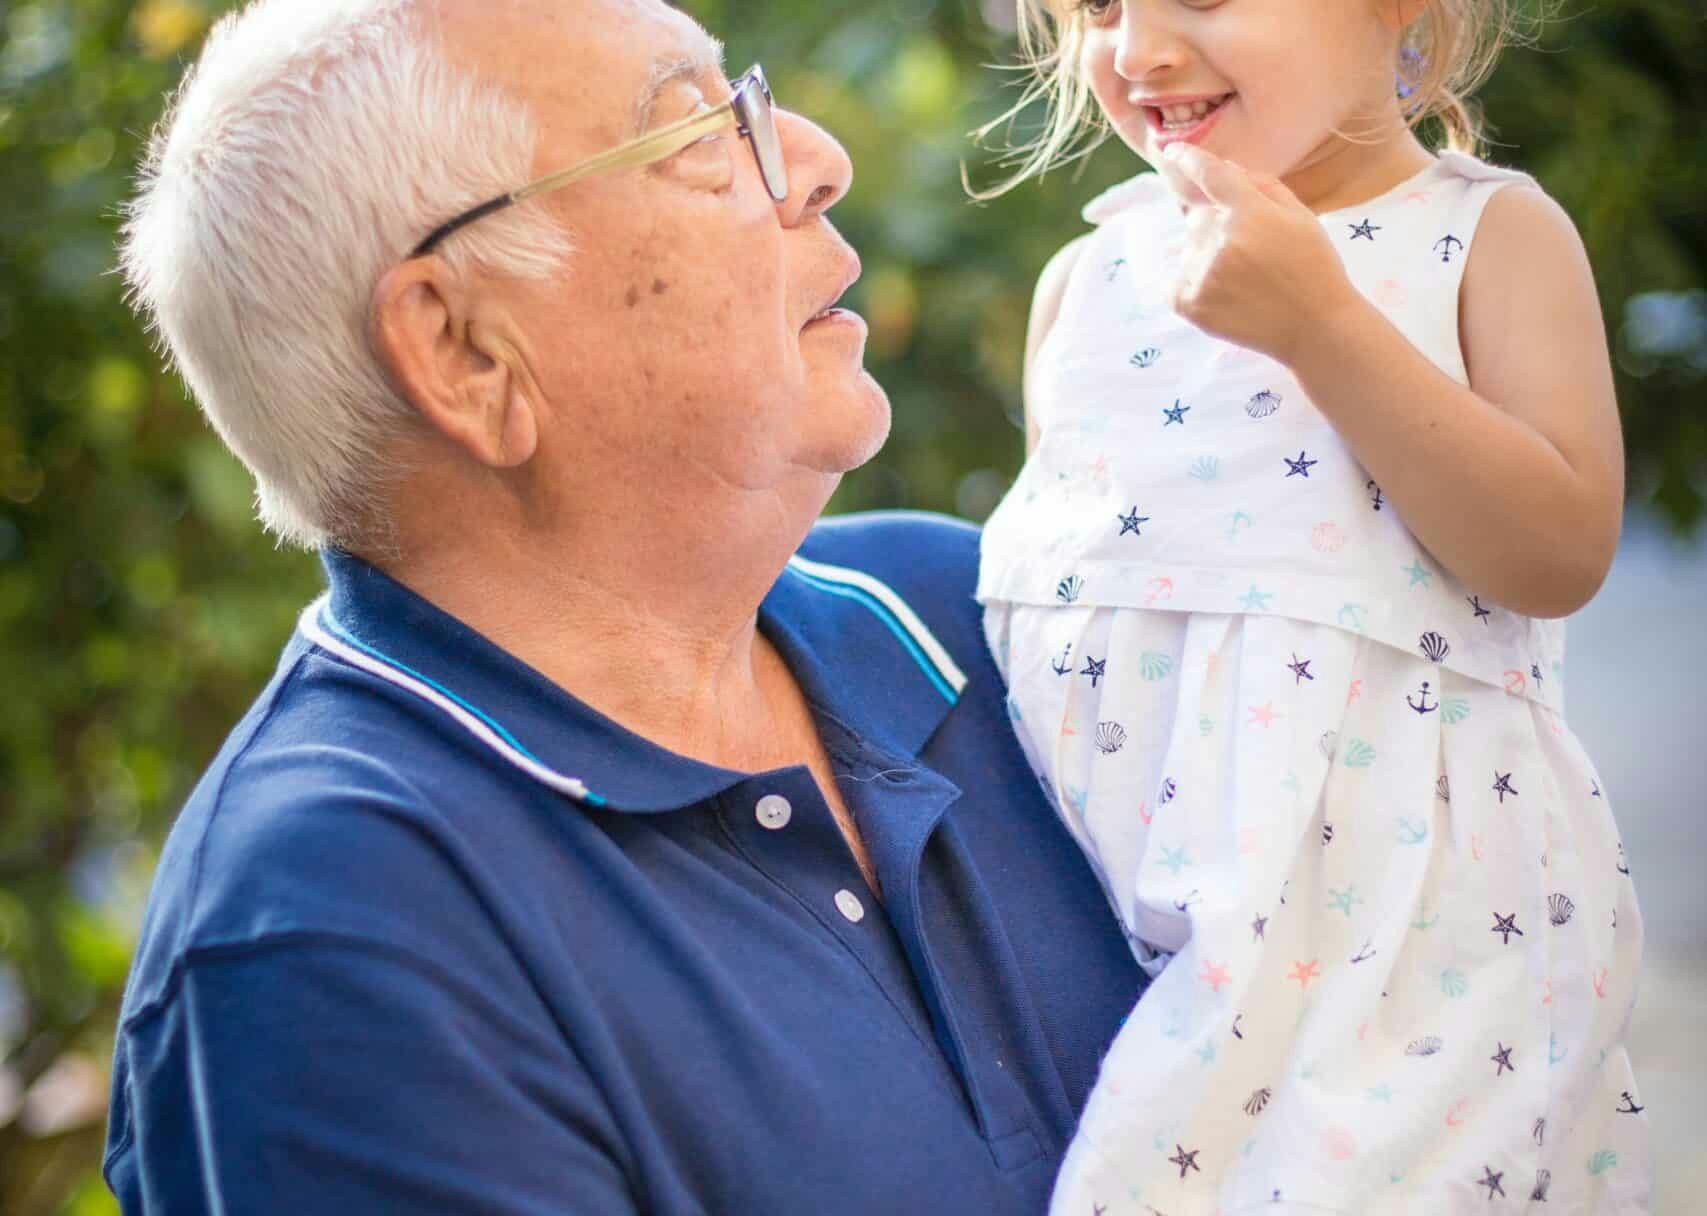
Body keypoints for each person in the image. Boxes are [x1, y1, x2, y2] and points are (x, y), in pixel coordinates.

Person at [100, 0, 1144, 1211]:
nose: (814, 160)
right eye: (701, 131)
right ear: (462, 352)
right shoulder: (331, 929)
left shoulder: (976, 609)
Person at [973, 0, 1650, 1212]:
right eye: (1099, 9)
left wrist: (1325, 327)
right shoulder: (1086, 284)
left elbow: (1555, 552)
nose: (1136, 54)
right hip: (1136, 970)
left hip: (1416, 972)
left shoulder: (1484, 235)